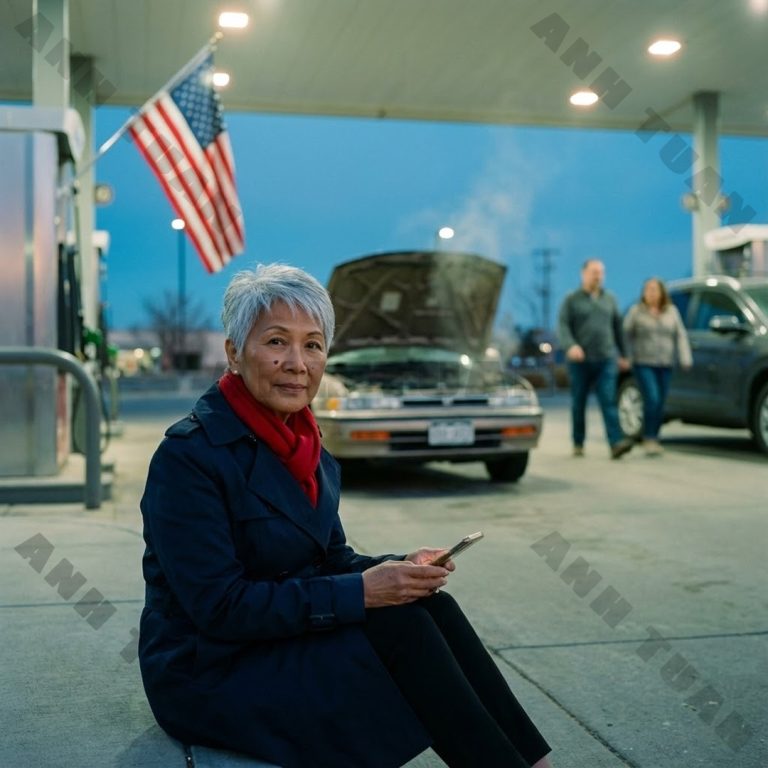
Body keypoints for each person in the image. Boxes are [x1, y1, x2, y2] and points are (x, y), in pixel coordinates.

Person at [138, 263, 553, 768]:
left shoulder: (308, 449)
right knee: (401, 631)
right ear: (233, 353)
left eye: (313, 345)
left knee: (429, 608)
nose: (297, 363)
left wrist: (399, 569)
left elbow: (330, 559)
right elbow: (220, 609)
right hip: (210, 671)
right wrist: (363, 592)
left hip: (279, 641)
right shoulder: (189, 456)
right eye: (276, 342)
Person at [557, 258, 634, 459]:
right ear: (583, 274)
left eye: (601, 272)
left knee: (608, 400)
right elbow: (563, 326)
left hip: (606, 358)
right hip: (580, 361)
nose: (597, 276)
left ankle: (616, 443)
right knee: (579, 402)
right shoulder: (572, 299)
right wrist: (571, 345)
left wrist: (625, 354)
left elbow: (618, 328)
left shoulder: (610, 299)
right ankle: (578, 442)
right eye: (594, 272)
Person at [623, 277, 692, 455]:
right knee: (652, 398)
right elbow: (625, 335)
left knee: (660, 402)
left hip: (665, 362)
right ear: (644, 293)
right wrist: (627, 357)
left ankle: (655, 436)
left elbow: (681, 335)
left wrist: (685, 357)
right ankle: (649, 437)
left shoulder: (671, 311)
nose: (652, 293)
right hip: (643, 362)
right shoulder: (636, 312)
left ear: (662, 292)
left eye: (655, 289)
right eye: (648, 289)